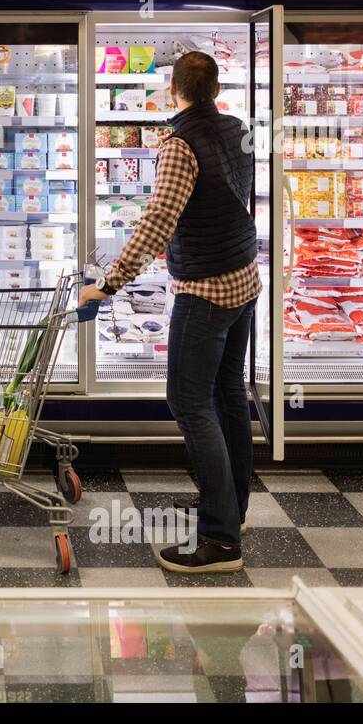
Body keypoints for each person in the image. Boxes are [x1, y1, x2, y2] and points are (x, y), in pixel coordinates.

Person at [78, 50, 260, 574]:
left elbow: (159, 219)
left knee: (187, 401)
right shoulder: (236, 129)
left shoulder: (179, 145)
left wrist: (109, 284)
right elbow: (232, 199)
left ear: (173, 90)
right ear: (215, 90)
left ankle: (221, 542)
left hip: (205, 288)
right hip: (244, 278)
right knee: (227, 395)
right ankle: (231, 508)